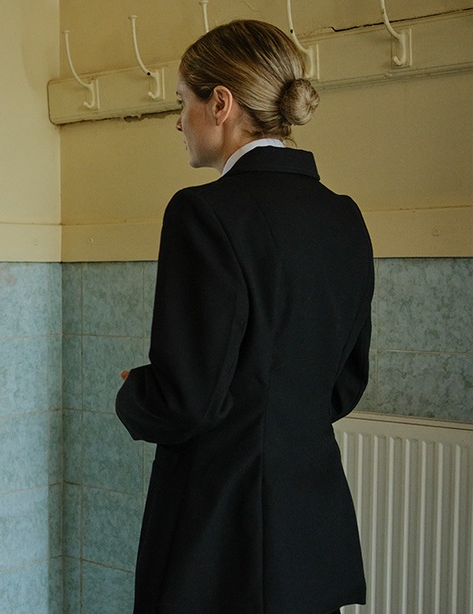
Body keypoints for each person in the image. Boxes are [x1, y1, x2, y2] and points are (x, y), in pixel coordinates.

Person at [115, 20, 371, 614]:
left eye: (183, 102)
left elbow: (187, 398)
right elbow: (346, 383)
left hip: (221, 534)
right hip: (310, 529)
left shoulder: (202, 214)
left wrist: (135, 392)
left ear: (221, 103)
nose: (178, 121)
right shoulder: (344, 216)